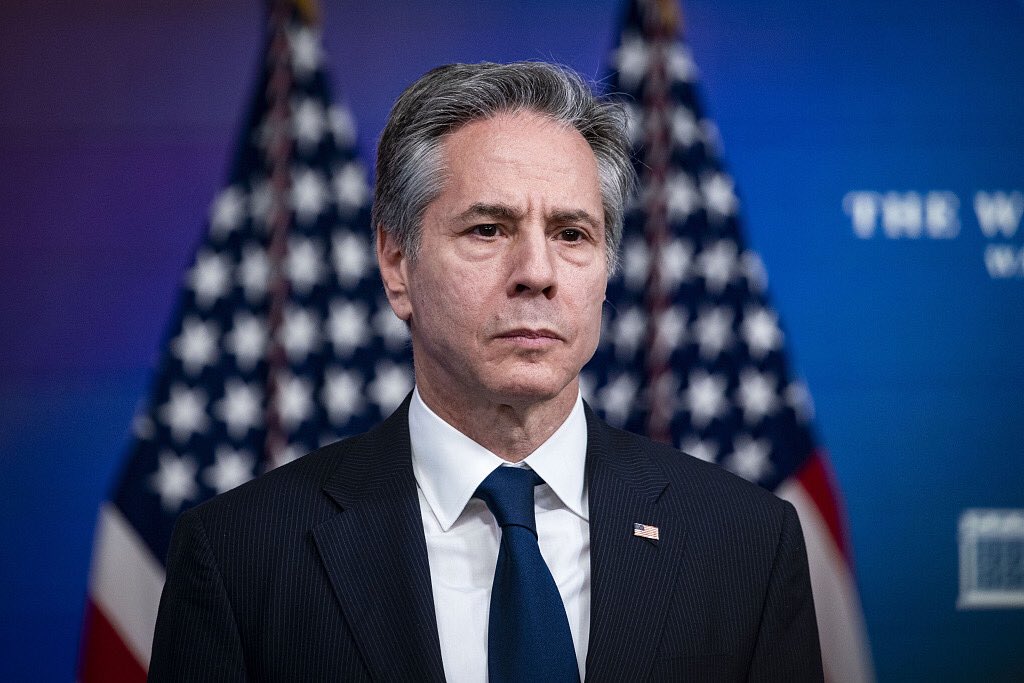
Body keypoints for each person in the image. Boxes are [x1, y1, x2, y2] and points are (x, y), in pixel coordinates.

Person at [150, 61, 823, 682]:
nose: (536, 273)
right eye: (488, 229)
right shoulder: (240, 555)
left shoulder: (747, 545)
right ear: (396, 264)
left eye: (571, 234)